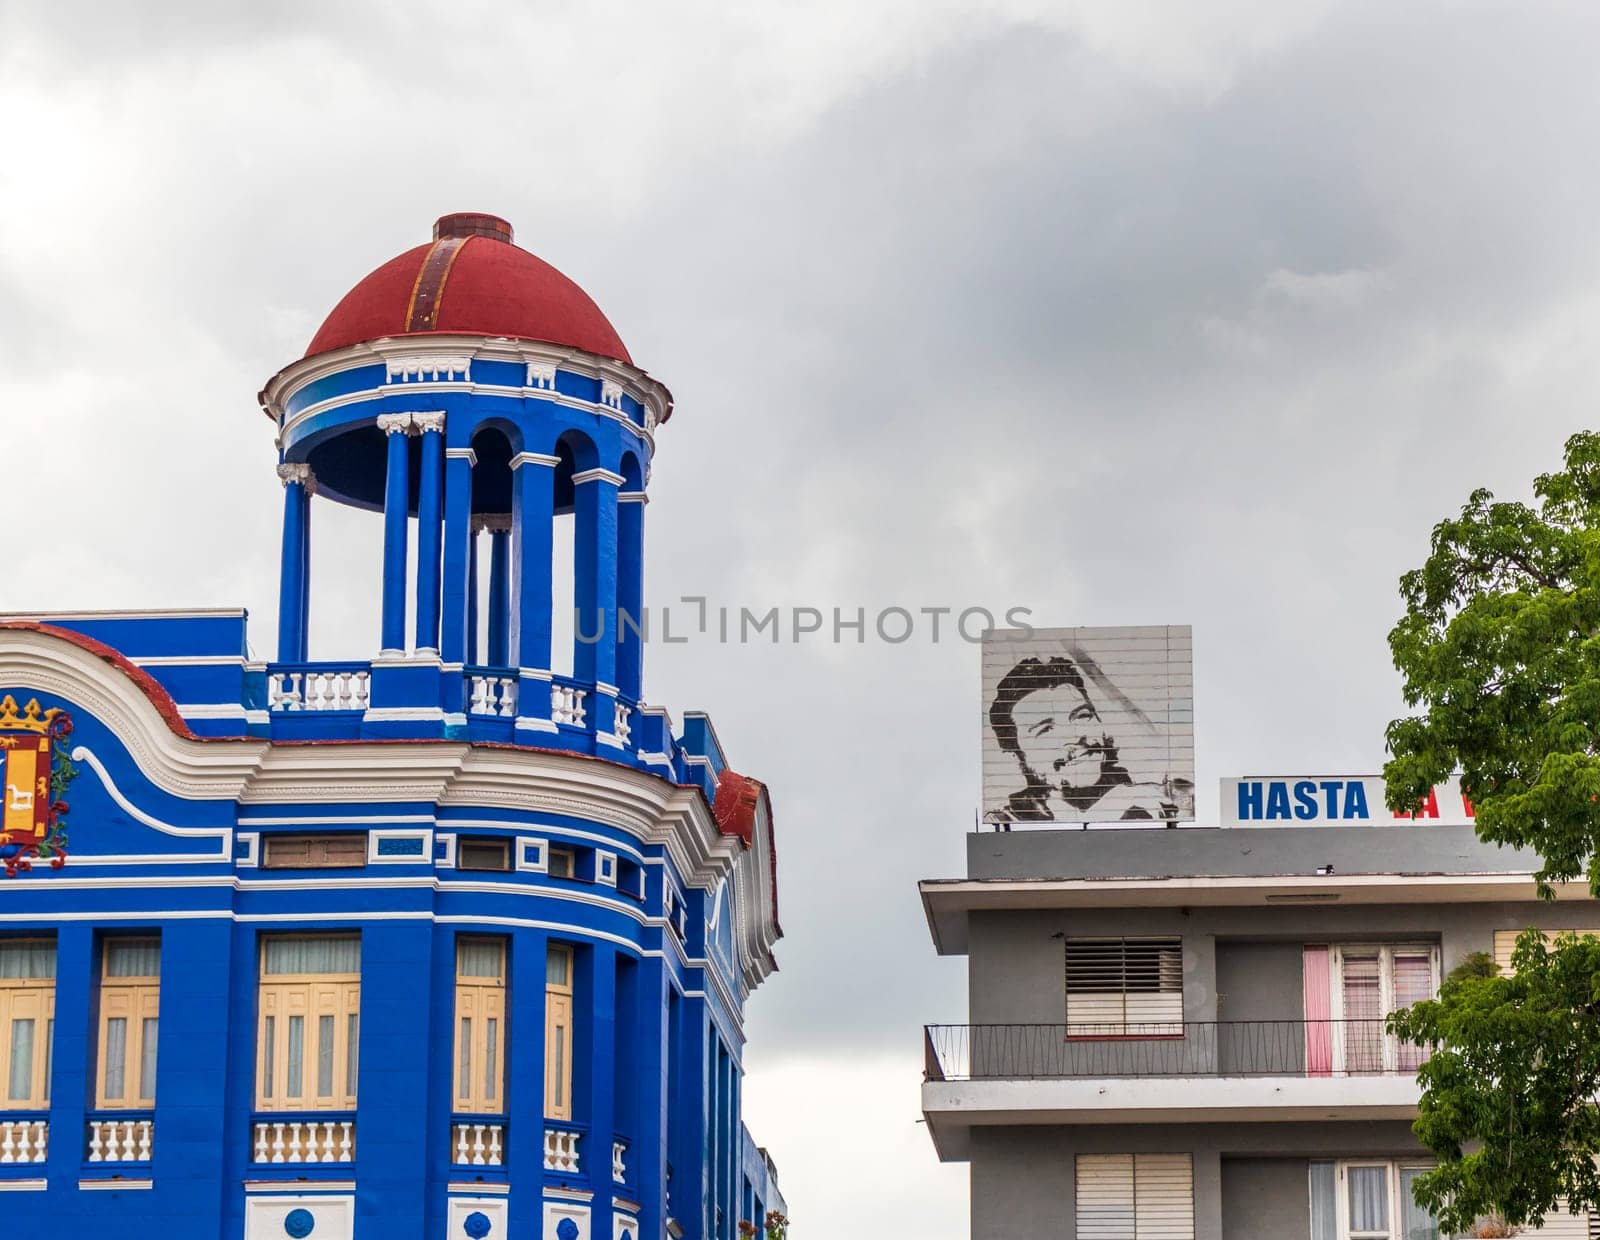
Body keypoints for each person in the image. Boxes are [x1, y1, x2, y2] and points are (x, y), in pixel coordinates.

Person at [986, 654, 1194, 826]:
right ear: (1016, 756)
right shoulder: (1005, 823)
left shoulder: (1172, 801)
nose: (1075, 737)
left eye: (1082, 716)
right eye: (1046, 730)